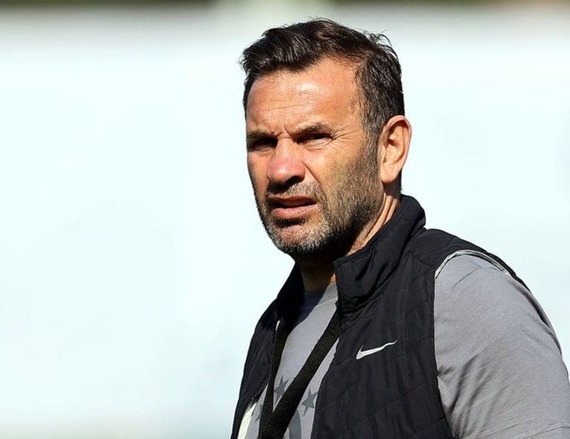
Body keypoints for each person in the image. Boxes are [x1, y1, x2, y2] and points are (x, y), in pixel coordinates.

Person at [231, 18, 570, 439]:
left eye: (314, 137)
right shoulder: (274, 326)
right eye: (263, 143)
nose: (281, 169)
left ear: (391, 148)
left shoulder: (465, 301)